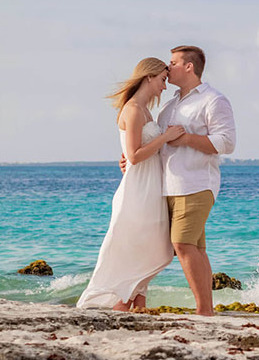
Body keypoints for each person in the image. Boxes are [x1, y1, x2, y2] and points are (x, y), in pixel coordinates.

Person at [119, 46, 236, 316]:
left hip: (195, 183)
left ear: (189, 67)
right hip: (165, 185)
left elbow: (227, 142)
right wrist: (128, 157)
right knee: (194, 247)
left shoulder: (213, 100)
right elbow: (154, 144)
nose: (167, 68)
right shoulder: (170, 105)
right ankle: (206, 310)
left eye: (172, 63)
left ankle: (203, 311)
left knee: (182, 245)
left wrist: (184, 139)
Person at [77, 58, 186, 311]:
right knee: (145, 247)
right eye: (162, 80)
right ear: (149, 77)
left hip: (150, 187)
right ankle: (124, 305)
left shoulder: (146, 110)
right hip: (138, 190)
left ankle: (139, 305)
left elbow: (135, 154)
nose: (164, 86)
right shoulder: (134, 109)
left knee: (150, 247)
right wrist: (166, 137)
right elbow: (135, 156)